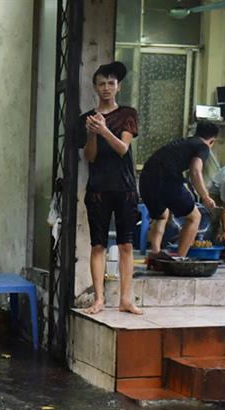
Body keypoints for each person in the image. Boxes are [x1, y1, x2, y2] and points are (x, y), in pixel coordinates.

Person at [77, 61, 143, 315]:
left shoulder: (128, 114)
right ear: (95, 87)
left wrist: (104, 130)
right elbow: (90, 157)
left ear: (119, 87)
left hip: (125, 187)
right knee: (98, 245)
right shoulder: (87, 118)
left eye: (111, 83)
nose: (107, 88)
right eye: (102, 83)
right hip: (98, 189)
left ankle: (126, 299)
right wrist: (93, 133)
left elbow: (122, 148)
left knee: (126, 245)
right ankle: (99, 300)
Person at [139, 121, 219, 259]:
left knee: (161, 216)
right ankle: (179, 259)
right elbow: (195, 171)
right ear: (212, 141)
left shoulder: (185, 142)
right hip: (167, 179)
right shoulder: (203, 146)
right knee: (195, 217)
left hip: (146, 179)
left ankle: (155, 255)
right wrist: (205, 196)